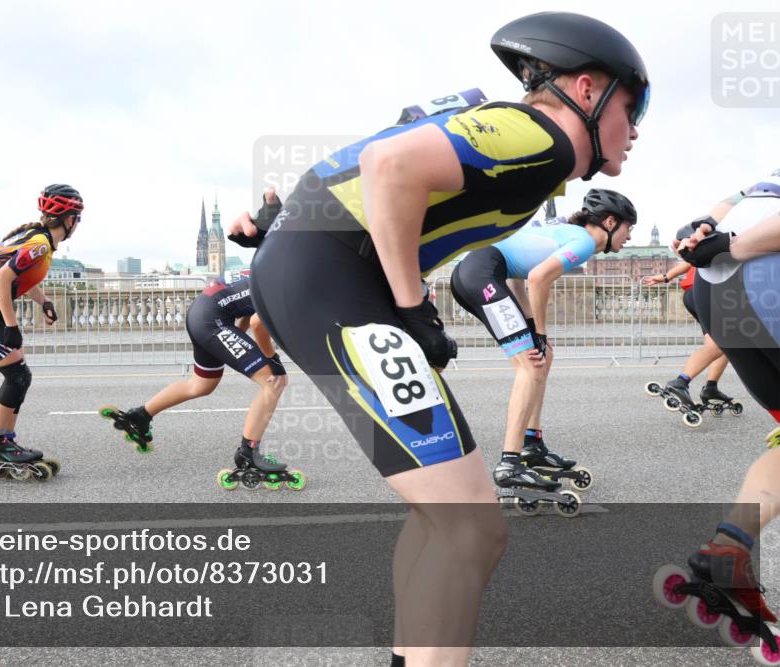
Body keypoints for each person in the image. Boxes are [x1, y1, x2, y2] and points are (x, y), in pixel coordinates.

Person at [229, 11, 649, 666]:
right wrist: (410, 304)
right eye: (633, 106)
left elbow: (386, 144)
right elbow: (389, 161)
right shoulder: (543, 137)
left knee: (444, 519)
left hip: (316, 273)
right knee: (473, 532)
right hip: (336, 282)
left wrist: (282, 221)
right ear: (587, 90)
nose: (637, 129)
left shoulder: (503, 129)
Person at [654, 169, 780, 661]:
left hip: (717, 287)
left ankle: (730, 547)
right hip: (763, 264)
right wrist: (736, 243)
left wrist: (707, 232)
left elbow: (721, 209)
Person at [450, 188, 636, 500]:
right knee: (531, 364)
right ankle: (510, 463)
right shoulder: (583, 241)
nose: (629, 237)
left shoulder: (567, 234)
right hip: (481, 275)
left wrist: (534, 329)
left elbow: (518, 277)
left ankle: (532, 444)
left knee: (542, 357)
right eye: (629, 228)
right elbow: (538, 278)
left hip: (482, 273)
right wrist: (539, 331)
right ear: (609, 222)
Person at [99, 255, 301, 490]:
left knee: (201, 385)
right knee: (274, 382)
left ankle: (140, 416)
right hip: (212, 321)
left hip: (201, 313)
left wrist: (238, 343)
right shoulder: (288, 285)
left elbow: (247, 312)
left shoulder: (270, 270)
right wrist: (271, 358)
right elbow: (258, 322)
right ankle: (248, 453)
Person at [0, 184, 81, 482]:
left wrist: (44, 301)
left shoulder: (38, 239)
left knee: (20, 374)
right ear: (69, 219)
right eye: (77, 219)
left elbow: (21, 276)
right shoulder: (40, 243)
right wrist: (11, 326)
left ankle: (4, 440)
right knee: (16, 375)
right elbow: (2, 279)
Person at [641, 262, 740, 423]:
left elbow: (691, 260)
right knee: (720, 344)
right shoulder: (739, 246)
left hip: (695, 293)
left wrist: (666, 277)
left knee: (723, 344)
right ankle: (680, 382)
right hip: (710, 291)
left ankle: (711, 388)